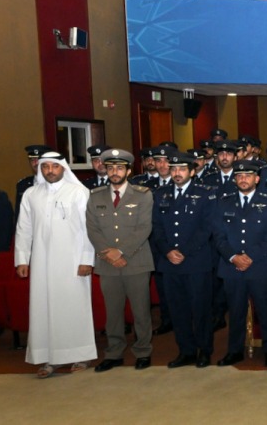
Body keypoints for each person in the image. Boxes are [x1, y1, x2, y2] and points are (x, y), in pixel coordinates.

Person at [14, 151, 97, 378]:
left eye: (54, 166)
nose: (50, 170)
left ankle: (80, 355)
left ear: (63, 168)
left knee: (73, 307)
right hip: (41, 263)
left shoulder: (78, 192)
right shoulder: (31, 194)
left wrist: (86, 259)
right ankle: (49, 358)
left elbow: (89, 229)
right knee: (44, 309)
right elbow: (24, 228)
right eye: (45, 166)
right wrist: (22, 259)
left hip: (73, 262)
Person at [87, 149, 155, 372]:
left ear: (128, 170)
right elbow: (92, 229)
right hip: (107, 263)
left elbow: (144, 227)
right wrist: (109, 254)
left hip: (136, 262)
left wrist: (122, 252)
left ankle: (143, 351)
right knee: (113, 312)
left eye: (119, 168)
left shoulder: (143, 195)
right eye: (110, 168)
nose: (114, 172)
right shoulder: (95, 196)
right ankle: (114, 353)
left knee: (140, 311)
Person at [212, 160, 267, 368]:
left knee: (266, 311)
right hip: (232, 267)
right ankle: (235, 351)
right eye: (239, 176)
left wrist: (250, 257)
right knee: (236, 312)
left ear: (257, 179)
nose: (243, 179)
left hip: (260, 267)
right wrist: (233, 257)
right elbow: (218, 236)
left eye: (248, 176)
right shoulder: (223, 203)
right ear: (235, 179)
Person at [152, 150, 217, 369]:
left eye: (181, 169)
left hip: (196, 261)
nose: (177, 173)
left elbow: (207, 228)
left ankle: (204, 350)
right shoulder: (161, 194)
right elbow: (156, 227)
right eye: (173, 169)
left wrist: (184, 252)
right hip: (169, 262)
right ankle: (186, 351)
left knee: (201, 309)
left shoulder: (206, 193)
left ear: (192, 171)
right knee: (177, 310)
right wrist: (167, 251)